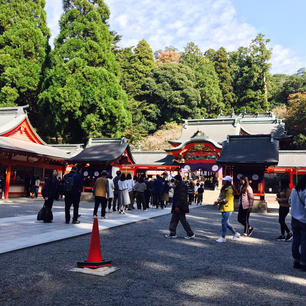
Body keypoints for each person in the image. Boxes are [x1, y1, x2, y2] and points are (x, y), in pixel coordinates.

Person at [164, 174, 195, 239]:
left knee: (183, 221)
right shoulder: (179, 186)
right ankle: (172, 233)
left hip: (180, 207)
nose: (174, 181)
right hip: (178, 206)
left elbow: (182, 197)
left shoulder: (181, 187)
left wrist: (177, 206)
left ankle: (191, 234)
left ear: (177, 180)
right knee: (174, 220)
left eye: (175, 180)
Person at [214, 176, 240, 243]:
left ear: (227, 181)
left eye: (224, 180)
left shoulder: (230, 190)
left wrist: (218, 202)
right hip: (224, 207)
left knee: (224, 222)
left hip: (227, 207)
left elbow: (226, 200)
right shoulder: (224, 188)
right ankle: (235, 233)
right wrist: (218, 200)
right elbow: (220, 196)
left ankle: (223, 237)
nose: (223, 181)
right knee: (226, 223)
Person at [289, 175, 306, 271]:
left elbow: (290, 201)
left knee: (296, 240)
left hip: (294, 218)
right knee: (304, 242)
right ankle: (303, 262)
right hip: (304, 220)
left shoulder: (294, 190)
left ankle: (296, 259)